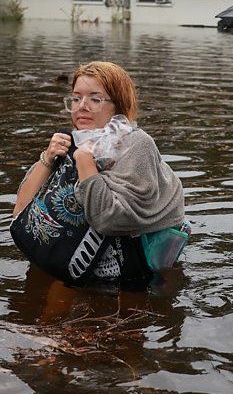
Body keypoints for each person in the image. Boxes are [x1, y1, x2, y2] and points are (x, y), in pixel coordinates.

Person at [12, 61, 185, 283]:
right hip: (74, 260)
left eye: (95, 99)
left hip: (129, 272)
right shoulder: (72, 140)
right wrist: (47, 158)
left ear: (117, 106)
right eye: (76, 98)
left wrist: (85, 162)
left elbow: (110, 221)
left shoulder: (136, 145)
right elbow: (20, 212)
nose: (81, 106)